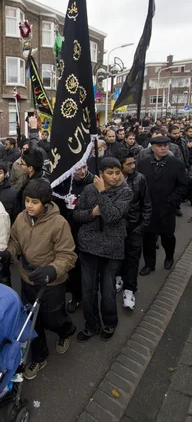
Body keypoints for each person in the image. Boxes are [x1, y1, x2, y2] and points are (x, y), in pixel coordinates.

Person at [0, 180, 77, 380]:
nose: (29, 205)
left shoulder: (59, 223)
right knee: (31, 321)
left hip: (51, 282)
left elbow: (68, 255)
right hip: (27, 278)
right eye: (27, 201)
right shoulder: (21, 218)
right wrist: (7, 254)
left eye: (34, 202)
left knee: (53, 318)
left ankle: (66, 331)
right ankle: (39, 356)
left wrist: (52, 270)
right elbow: (15, 243)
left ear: (45, 203)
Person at [73, 157, 133, 342]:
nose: (114, 177)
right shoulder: (88, 190)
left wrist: (102, 193)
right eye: (109, 173)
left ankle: (109, 323)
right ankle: (92, 325)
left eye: (117, 173)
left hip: (112, 247)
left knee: (107, 291)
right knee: (88, 290)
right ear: (101, 174)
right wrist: (91, 213)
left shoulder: (125, 192)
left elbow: (113, 216)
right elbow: (77, 215)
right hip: (89, 246)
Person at [137, 136, 187, 274]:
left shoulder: (177, 164)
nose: (163, 148)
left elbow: (182, 186)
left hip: (166, 209)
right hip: (148, 208)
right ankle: (149, 264)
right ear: (152, 148)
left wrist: (171, 201)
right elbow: (139, 185)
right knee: (148, 238)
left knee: (168, 236)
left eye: (165, 145)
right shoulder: (142, 164)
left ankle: (169, 257)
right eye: (159, 146)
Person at [53, 165, 94, 313]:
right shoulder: (64, 183)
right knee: (72, 267)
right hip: (68, 232)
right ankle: (75, 294)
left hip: (87, 232)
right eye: (78, 169)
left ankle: (85, 296)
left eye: (84, 167)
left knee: (86, 268)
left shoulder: (92, 182)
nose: (82, 172)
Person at [116, 149, 152, 309]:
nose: (133, 166)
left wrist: (142, 226)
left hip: (134, 227)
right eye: (129, 164)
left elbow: (147, 204)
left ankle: (130, 290)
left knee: (132, 258)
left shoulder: (140, 179)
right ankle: (118, 278)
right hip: (116, 228)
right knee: (117, 256)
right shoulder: (111, 179)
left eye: (133, 162)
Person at [13, 147, 47, 218]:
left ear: (30, 168)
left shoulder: (36, 186)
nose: (20, 165)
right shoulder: (41, 176)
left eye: (22, 163)